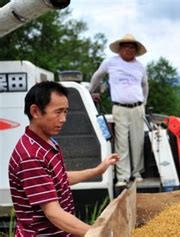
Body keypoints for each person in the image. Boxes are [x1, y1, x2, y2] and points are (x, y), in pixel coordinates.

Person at [8, 81, 120, 236]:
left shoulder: (47, 142)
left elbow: (58, 179)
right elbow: (54, 213)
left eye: (65, 112)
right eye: (58, 112)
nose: (63, 119)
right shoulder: (31, 156)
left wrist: (97, 170)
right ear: (35, 111)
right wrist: (100, 233)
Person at [89, 33, 149, 186]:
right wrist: (90, 92)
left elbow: (144, 85)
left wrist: (144, 103)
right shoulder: (110, 62)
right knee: (121, 141)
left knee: (138, 141)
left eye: (132, 47)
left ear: (136, 50)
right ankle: (123, 176)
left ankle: (137, 173)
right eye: (126, 47)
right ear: (120, 49)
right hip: (120, 107)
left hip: (137, 107)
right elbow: (97, 76)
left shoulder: (140, 66)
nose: (129, 50)